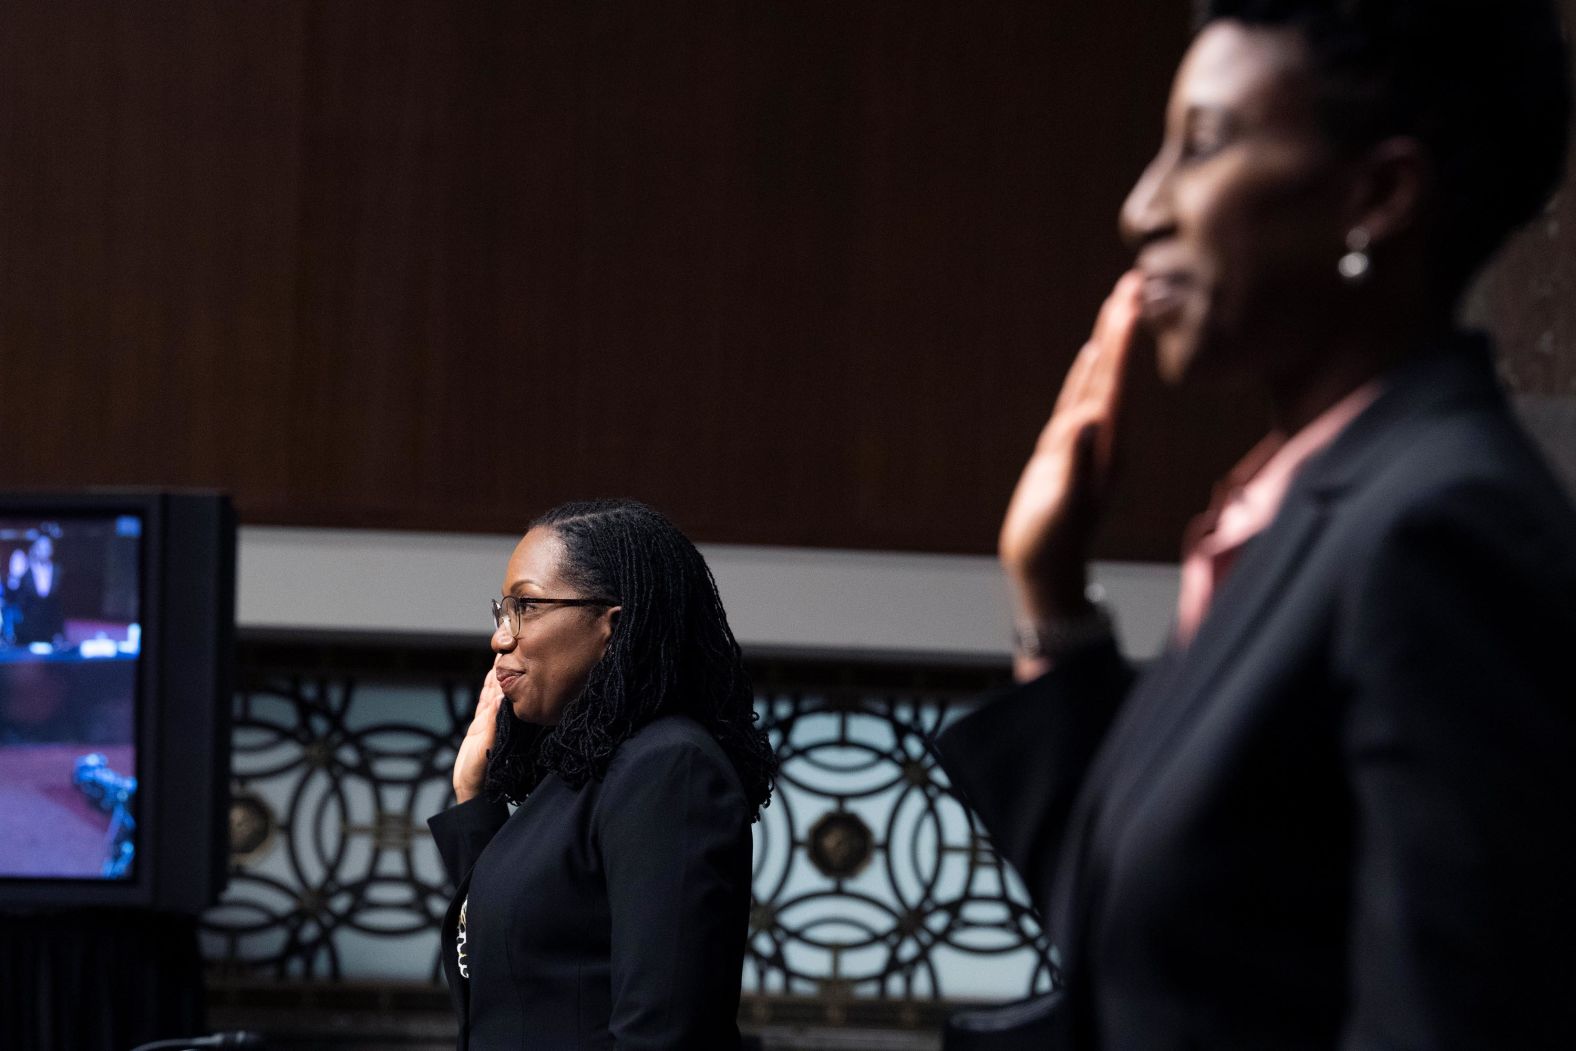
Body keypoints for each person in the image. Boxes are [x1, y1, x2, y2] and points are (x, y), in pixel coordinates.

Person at [936, 1, 1576, 1048]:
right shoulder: (1298, 522)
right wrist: (1049, 598)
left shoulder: (1444, 532)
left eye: (1202, 145)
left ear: (1377, 196)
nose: (1142, 207)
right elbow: (1161, 953)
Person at [427, 499, 775, 1051]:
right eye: (502, 611)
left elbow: (663, 1036)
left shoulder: (668, 768)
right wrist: (474, 795)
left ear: (611, 625)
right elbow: (511, 980)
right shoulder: (583, 772)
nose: (501, 637)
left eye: (528, 607)